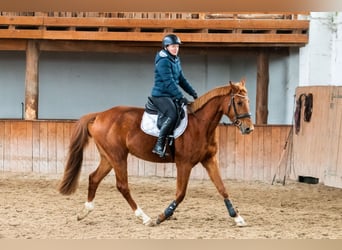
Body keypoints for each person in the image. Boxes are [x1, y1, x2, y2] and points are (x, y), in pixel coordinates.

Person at [150, 34, 198, 157]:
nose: (175, 48)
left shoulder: (175, 59)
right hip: (160, 95)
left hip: (170, 95)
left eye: (177, 46)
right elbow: (169, 81)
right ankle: (159, 145)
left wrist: (192, 92)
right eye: (173, 46)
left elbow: (181, 79)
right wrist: (180, 96)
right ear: (166, 47)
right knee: (172, 114)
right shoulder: (163, 61)